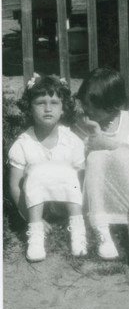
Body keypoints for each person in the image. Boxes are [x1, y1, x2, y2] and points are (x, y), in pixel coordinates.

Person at [8, 73, 87, 262]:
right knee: (36, 171)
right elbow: (14, 187)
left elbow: (81, 179)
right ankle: (35, 233)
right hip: (36, 208)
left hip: (67, 205)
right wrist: (30, 217)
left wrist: (78, 209)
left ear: (63, 109)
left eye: (54, 103)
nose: (47, 108)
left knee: (68, 172)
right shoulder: (23, 143)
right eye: (40, 103)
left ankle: (77, 229)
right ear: (29, 108)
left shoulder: (71, 141)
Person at [76, 67, 129, 260]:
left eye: (92, 106)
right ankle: (102, 231)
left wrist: (108, 144)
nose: (87, 110)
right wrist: (94, 136)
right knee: (95, 158)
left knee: (123, 155)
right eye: (84, 104)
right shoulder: (84, 125)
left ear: (113, 105)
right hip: (98, 189)